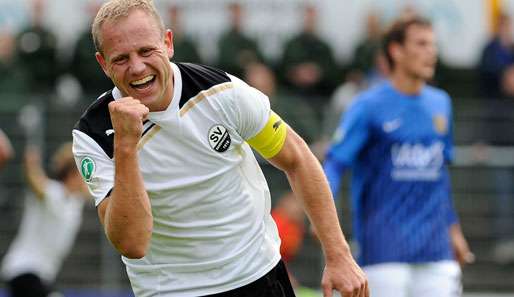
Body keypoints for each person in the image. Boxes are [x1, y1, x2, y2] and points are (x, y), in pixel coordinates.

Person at [72, 1, 368, 297]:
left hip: (257, 277)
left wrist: (338, 255)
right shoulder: (93, 135)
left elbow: (298, 159)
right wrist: (125, 146)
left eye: (146, 51)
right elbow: (132, 243)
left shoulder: (223, 93)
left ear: (168, 43)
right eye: (121, 58)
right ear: (103, 63)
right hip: (171, 291)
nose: (137, 67)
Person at [323, 16, 473, 297]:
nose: (432, 51)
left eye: (433, 44)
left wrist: (454, 230)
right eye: (421, 43)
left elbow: (440, 174)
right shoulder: (367, 106)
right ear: (396, 51)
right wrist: (323, 220)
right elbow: (334, 163)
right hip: (384, 252)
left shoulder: (441, 103)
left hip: (436, 252)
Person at [1, 143, 88, 297]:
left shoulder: (76, 203)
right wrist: (31, 165)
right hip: (23, 270)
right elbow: (37, 184)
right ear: (73, 174)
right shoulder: (54, 192)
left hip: (42, 276)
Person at [216, 2, 265, 78]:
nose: (237, 18)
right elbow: (225, 63)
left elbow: (260, 60)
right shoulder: (224, 41)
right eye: (234, 15)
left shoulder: (250, 41)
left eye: (239, 15)